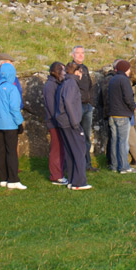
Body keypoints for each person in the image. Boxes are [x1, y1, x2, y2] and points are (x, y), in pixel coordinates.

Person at [0, 63, 26, 189]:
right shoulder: (12, 88)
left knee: (1, 151)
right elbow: (14, 108)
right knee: (11, 152)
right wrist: (19, 123)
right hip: (10, 124)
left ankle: (3, 178)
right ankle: (13, 179)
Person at [55, 62, 92, 190]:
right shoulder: (71, 84)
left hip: (64, 122)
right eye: (81, 72)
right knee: (79, 151)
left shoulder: (65, 83)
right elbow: (69, 102)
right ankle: (79, 182)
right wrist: (75, 122)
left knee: (71, 152)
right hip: (70, 123)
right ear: (77, 72)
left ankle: (71, 180)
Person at [108, 60, 136, 174]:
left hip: (112, 114)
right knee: (123, 142)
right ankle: (124, 167)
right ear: (125, 69)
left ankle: (114, 166)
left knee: (114, 140)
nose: (130, 71)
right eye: (129, 68)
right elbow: (128, 96)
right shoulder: (124, 80)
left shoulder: (113, 80)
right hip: (122, 115)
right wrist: (134, 106)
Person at [71, 46, 98, 172]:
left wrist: (91, 102)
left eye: (83, 53)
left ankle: (87, 164)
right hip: (78, 106)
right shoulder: (70, 69)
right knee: (76, 135)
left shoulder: (85, 68)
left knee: (86, 136)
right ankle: (77, 164)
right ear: (73, 55)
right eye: (78, 53)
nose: (81, 55)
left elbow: (90, 87)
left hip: (87, 106)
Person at [43, 62, 67, 185]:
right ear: (57, 71)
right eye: (63, 71)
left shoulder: (55, 84)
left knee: (60, 148)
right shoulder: (50, 86)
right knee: (56, 149)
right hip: (54, 122)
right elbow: (51, 107)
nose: (65, 73)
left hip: (57, 121)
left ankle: (59, 173)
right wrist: (59, 120)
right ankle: (56, 175)